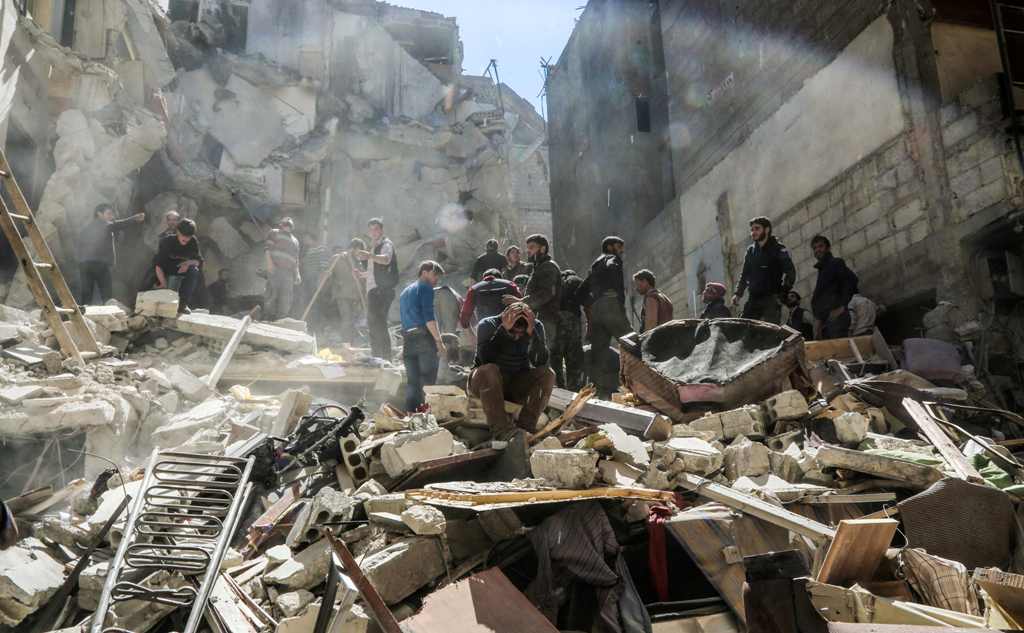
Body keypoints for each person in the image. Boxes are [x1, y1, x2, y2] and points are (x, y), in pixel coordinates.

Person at [468, 302, 555, 439]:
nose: (517, 336)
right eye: (514, 332)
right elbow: (485, 358)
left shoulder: (536, 326)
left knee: (548, 374)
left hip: (515, 384)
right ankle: (503, 431)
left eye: (522, 333)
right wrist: (502, 332)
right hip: (485, 383)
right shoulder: (487, 324)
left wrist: (533, 333)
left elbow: (541, 361)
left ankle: (526, 427)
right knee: (490, 370)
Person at [581, 236, 630, 398]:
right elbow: (612, 268)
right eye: (619, 246)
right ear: (610, 247)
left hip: (597, 310)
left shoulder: (595, 265)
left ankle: (600, 394)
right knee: (631, 342)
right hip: (610, 306)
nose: (621, 250)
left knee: (599, 353)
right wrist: (613, 294)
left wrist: (593, 303)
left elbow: (580, 291)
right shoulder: (611, 259)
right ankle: (645, 384)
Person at [399, 261, 447, 412]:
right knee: (427, 381)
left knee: (413, 382)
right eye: (434, 276)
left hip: (408, 338)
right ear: (424, 272)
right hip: (424, 338)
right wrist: (439, 342)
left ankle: (410, 415)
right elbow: (429, 318)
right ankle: (426, 417)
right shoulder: (425, 288)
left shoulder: (405, 291)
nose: (436, 281)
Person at [732, 217, 795, 324]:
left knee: (770, 333)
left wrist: (782, 294)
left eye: (757, 229)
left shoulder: (778, 249)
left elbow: (791, 273)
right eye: (752, 230)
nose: (753, 232)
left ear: (766, 230)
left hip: (771, 298)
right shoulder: (751, 251)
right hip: (753, 298)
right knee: (744, 328)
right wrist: (738, 294)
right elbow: (745, 275)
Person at [78, 203, 145, 304]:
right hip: (100, 264)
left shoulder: (87, 228)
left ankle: (81, 317)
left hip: (84, 265)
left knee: (86, 295)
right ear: (99, 214)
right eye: (108, 214)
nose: (111, 216)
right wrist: (134, 218)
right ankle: (109, 316)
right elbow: (117, 225)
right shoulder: (103, 224)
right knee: (107, 295)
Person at [354, 218, 399, 359]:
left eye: (376, 229)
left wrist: (369, 255)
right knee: (373, 324)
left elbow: (385, 260)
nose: (373, 232)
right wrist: (361, 275)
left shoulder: (386, 244)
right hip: (374, 290)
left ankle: (384, 358)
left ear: (381, 230)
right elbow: (374, 272)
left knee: (379, 324)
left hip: (382, 290)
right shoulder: (374, 247)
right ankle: (377, 356)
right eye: (371, 229)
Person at [508, 234, 561, 346]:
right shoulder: (539, 266)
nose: (528, 251)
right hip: (540, 318)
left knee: (543, 355)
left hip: (547, 319)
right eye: (527, 248)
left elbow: (546, 293)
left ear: (543, 248)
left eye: (532, 247)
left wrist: (522, 302)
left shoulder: (548, 266)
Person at [810, 235, 859, 340]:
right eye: (815, 248)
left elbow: (851, 281)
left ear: (828, 248)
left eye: (820, 246)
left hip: (837, 319)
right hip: (826, 321)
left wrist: (842, 307)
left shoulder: (835, 263)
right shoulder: (822, 269)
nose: (817, 250)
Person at [154, 218, 203, 315]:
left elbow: (198, 261)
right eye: (183, 235)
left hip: (181, 269)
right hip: (163, 269)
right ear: (178, 232)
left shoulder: (193, 241)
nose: (186, 239)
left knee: (194, 271)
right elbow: (158, 265)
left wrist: (187, 263)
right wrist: (163, 283)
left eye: (188, 236)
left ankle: (182, 304)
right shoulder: (167, 241)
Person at [551, 268, 585, 390]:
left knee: (555, 358)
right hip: (571, 320)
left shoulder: (554, 283)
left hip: (554, 321)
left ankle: (558, 390)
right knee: (574, 358)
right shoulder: (575, 280)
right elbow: (588, 302)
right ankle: (573, 391)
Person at [264, 217, 302, 321]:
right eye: (285, 224)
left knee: (286, 298)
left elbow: (296, 259)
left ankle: (280, 320)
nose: (287, 226)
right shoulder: (274, 232)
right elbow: (267, 249)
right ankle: (268, 318)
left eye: (289, 224)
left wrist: (297, 273)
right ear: (281, 224)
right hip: (275, 269)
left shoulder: (295, 240)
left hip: (288, 273)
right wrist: (269, 264)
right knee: (272, 294)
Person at [334, 238, 367, 344]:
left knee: (353, 320)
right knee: (347, 318)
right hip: (343, 293)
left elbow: (362, 278)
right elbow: (329, 275)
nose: (360, 253)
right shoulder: (338, 258)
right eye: (360, 250)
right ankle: (346, 342)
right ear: (354, 248)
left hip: (355, 295)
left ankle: (351, 342)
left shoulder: (358, 263)